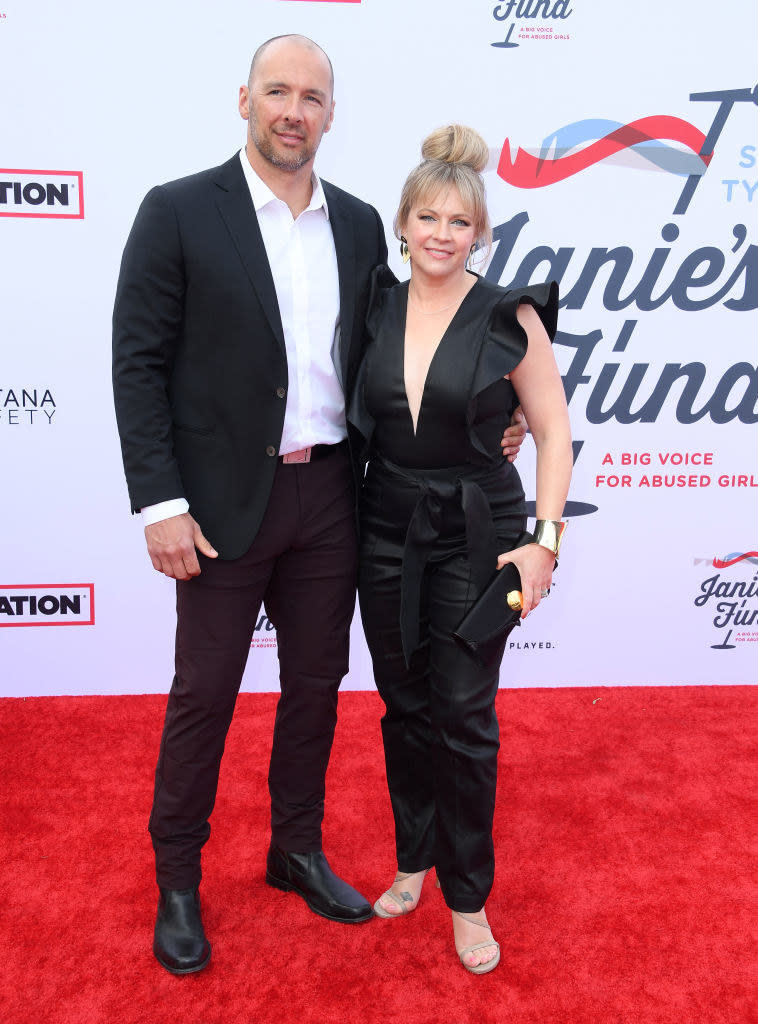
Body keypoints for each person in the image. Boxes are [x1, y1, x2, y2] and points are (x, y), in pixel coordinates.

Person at [112, 36, 529, 975]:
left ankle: (294, 850)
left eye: (312, 96)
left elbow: (410, 353)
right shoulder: (178, 211)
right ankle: (178, 877)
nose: (293, 110)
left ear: (331, 115)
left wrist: (496, 427)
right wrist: (159, 502)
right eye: (277, 92)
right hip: (217, 505)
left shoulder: (355, 224)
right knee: (204, 695)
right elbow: (136, 363)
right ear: (245, 101)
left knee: (315, 689)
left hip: (335, 496)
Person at [350, 125, 572, 974]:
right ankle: (414, 860)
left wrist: (542, 544)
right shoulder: (375, 300)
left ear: (480, 232)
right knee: (403, 710)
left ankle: (467, 897)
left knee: (464, 720)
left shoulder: (508, 314)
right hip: (383, 527)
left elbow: (552, 433)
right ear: (403, 225)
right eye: (426, 217)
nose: (441, 234)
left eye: (459, 221)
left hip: (479, 535)